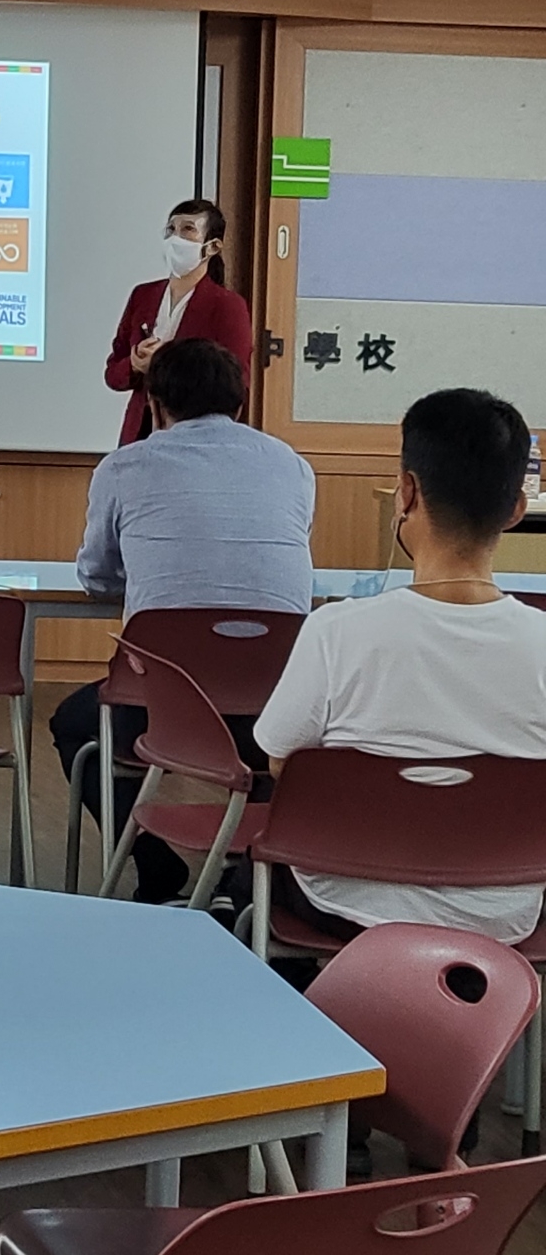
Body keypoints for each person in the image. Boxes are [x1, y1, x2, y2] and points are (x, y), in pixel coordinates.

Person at [256, 387, 546, 943]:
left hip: (343, 896)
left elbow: (279, 761)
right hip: (502, 910)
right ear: (515, 509)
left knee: (250, 870)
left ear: (406, 493)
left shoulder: (336, 630)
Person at [52, 337, 315, 902]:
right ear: (239, 405)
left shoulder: (124, 467)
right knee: (279, 756)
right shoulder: (293, 467)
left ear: (155, 405)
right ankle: (246, 885)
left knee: (75, 726)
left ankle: (155, 866)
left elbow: (97, 577)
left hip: (162, 711)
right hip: (273, 706)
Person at [104, 197, 252, 446]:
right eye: (171, 229)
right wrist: (135, 364)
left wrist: (166, 364)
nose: (176, 238)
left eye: (188, 229)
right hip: (140, 432)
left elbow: (237, 384)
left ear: (213, 247)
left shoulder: (227, 305)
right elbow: (113, 374)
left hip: (197, 437)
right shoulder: (143, 295)